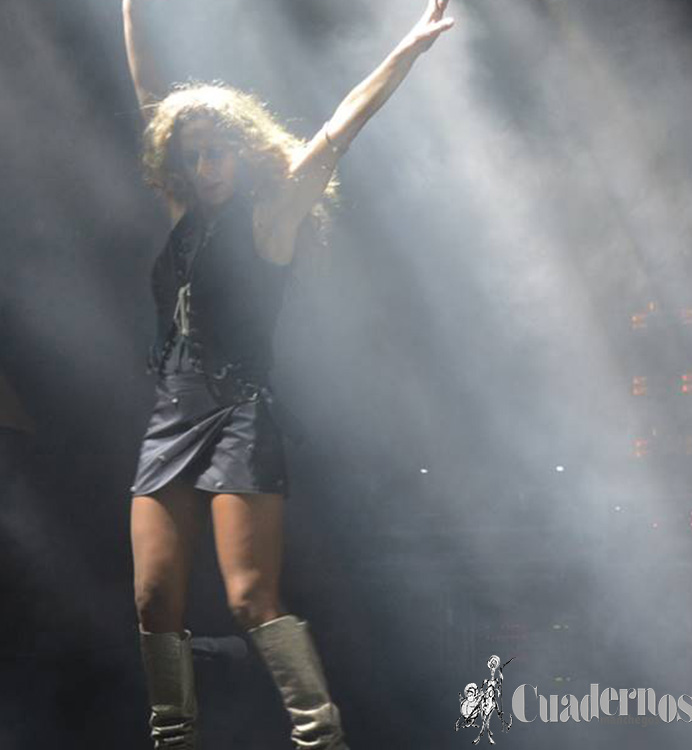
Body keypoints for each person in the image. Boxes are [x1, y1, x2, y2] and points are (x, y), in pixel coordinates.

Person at [122, 1, 455, 747]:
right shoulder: (183, 206)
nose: (204, 166)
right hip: (172, 412)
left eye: (216, 150)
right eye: (193, 153)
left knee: (249, 599)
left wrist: (406, 50)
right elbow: (149, 95)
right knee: (152, 600)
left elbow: (342, 127)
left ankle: (321, 739)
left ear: (242, 150)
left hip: (240, 412)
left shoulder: (273, 217)